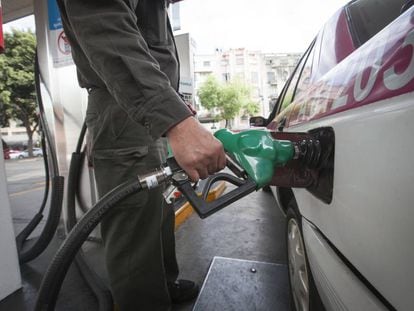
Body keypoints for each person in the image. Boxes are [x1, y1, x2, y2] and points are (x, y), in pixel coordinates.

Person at [56, 0, 227, 310]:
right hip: (124, 104)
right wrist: (173, 119)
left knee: (155, 209)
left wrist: (172, 108)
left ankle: (161, 284)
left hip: (144, 106)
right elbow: (106, 27)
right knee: (133, 225)